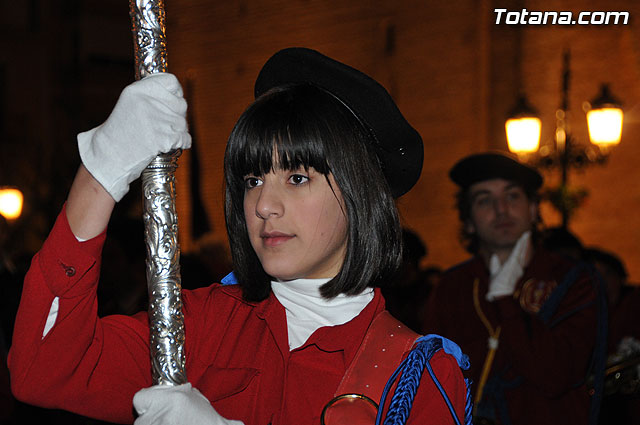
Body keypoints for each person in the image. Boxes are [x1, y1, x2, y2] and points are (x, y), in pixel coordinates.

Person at [9, 48, 470, 425]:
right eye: (252, 179)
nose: (263, 205)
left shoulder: (417, 377)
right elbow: (43, 370)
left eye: (296, 178)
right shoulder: (205, 325)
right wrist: (102, 171)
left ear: (358, 193)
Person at [420, 152, 606, 425]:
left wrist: (506, 300)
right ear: (469, 221)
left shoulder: (573, 279)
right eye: (484, 200)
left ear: (533, 209)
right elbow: (432, 378)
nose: (501, 210)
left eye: (513, 196)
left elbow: (555, 376)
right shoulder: (453, 285)